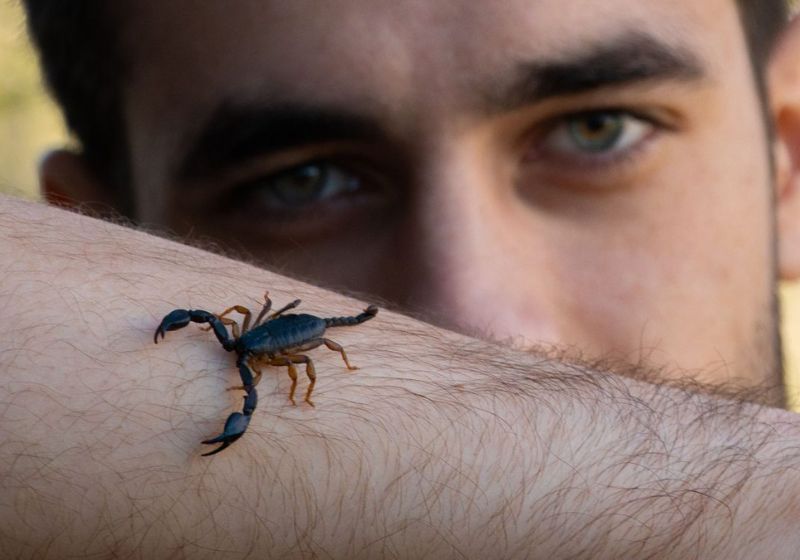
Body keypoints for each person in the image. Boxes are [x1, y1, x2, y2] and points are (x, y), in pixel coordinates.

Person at [3, 0, 800, 557]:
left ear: (790, 158)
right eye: (301, 179)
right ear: (97, 236)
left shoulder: (272, 346)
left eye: (597, 130)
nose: (479, 326)